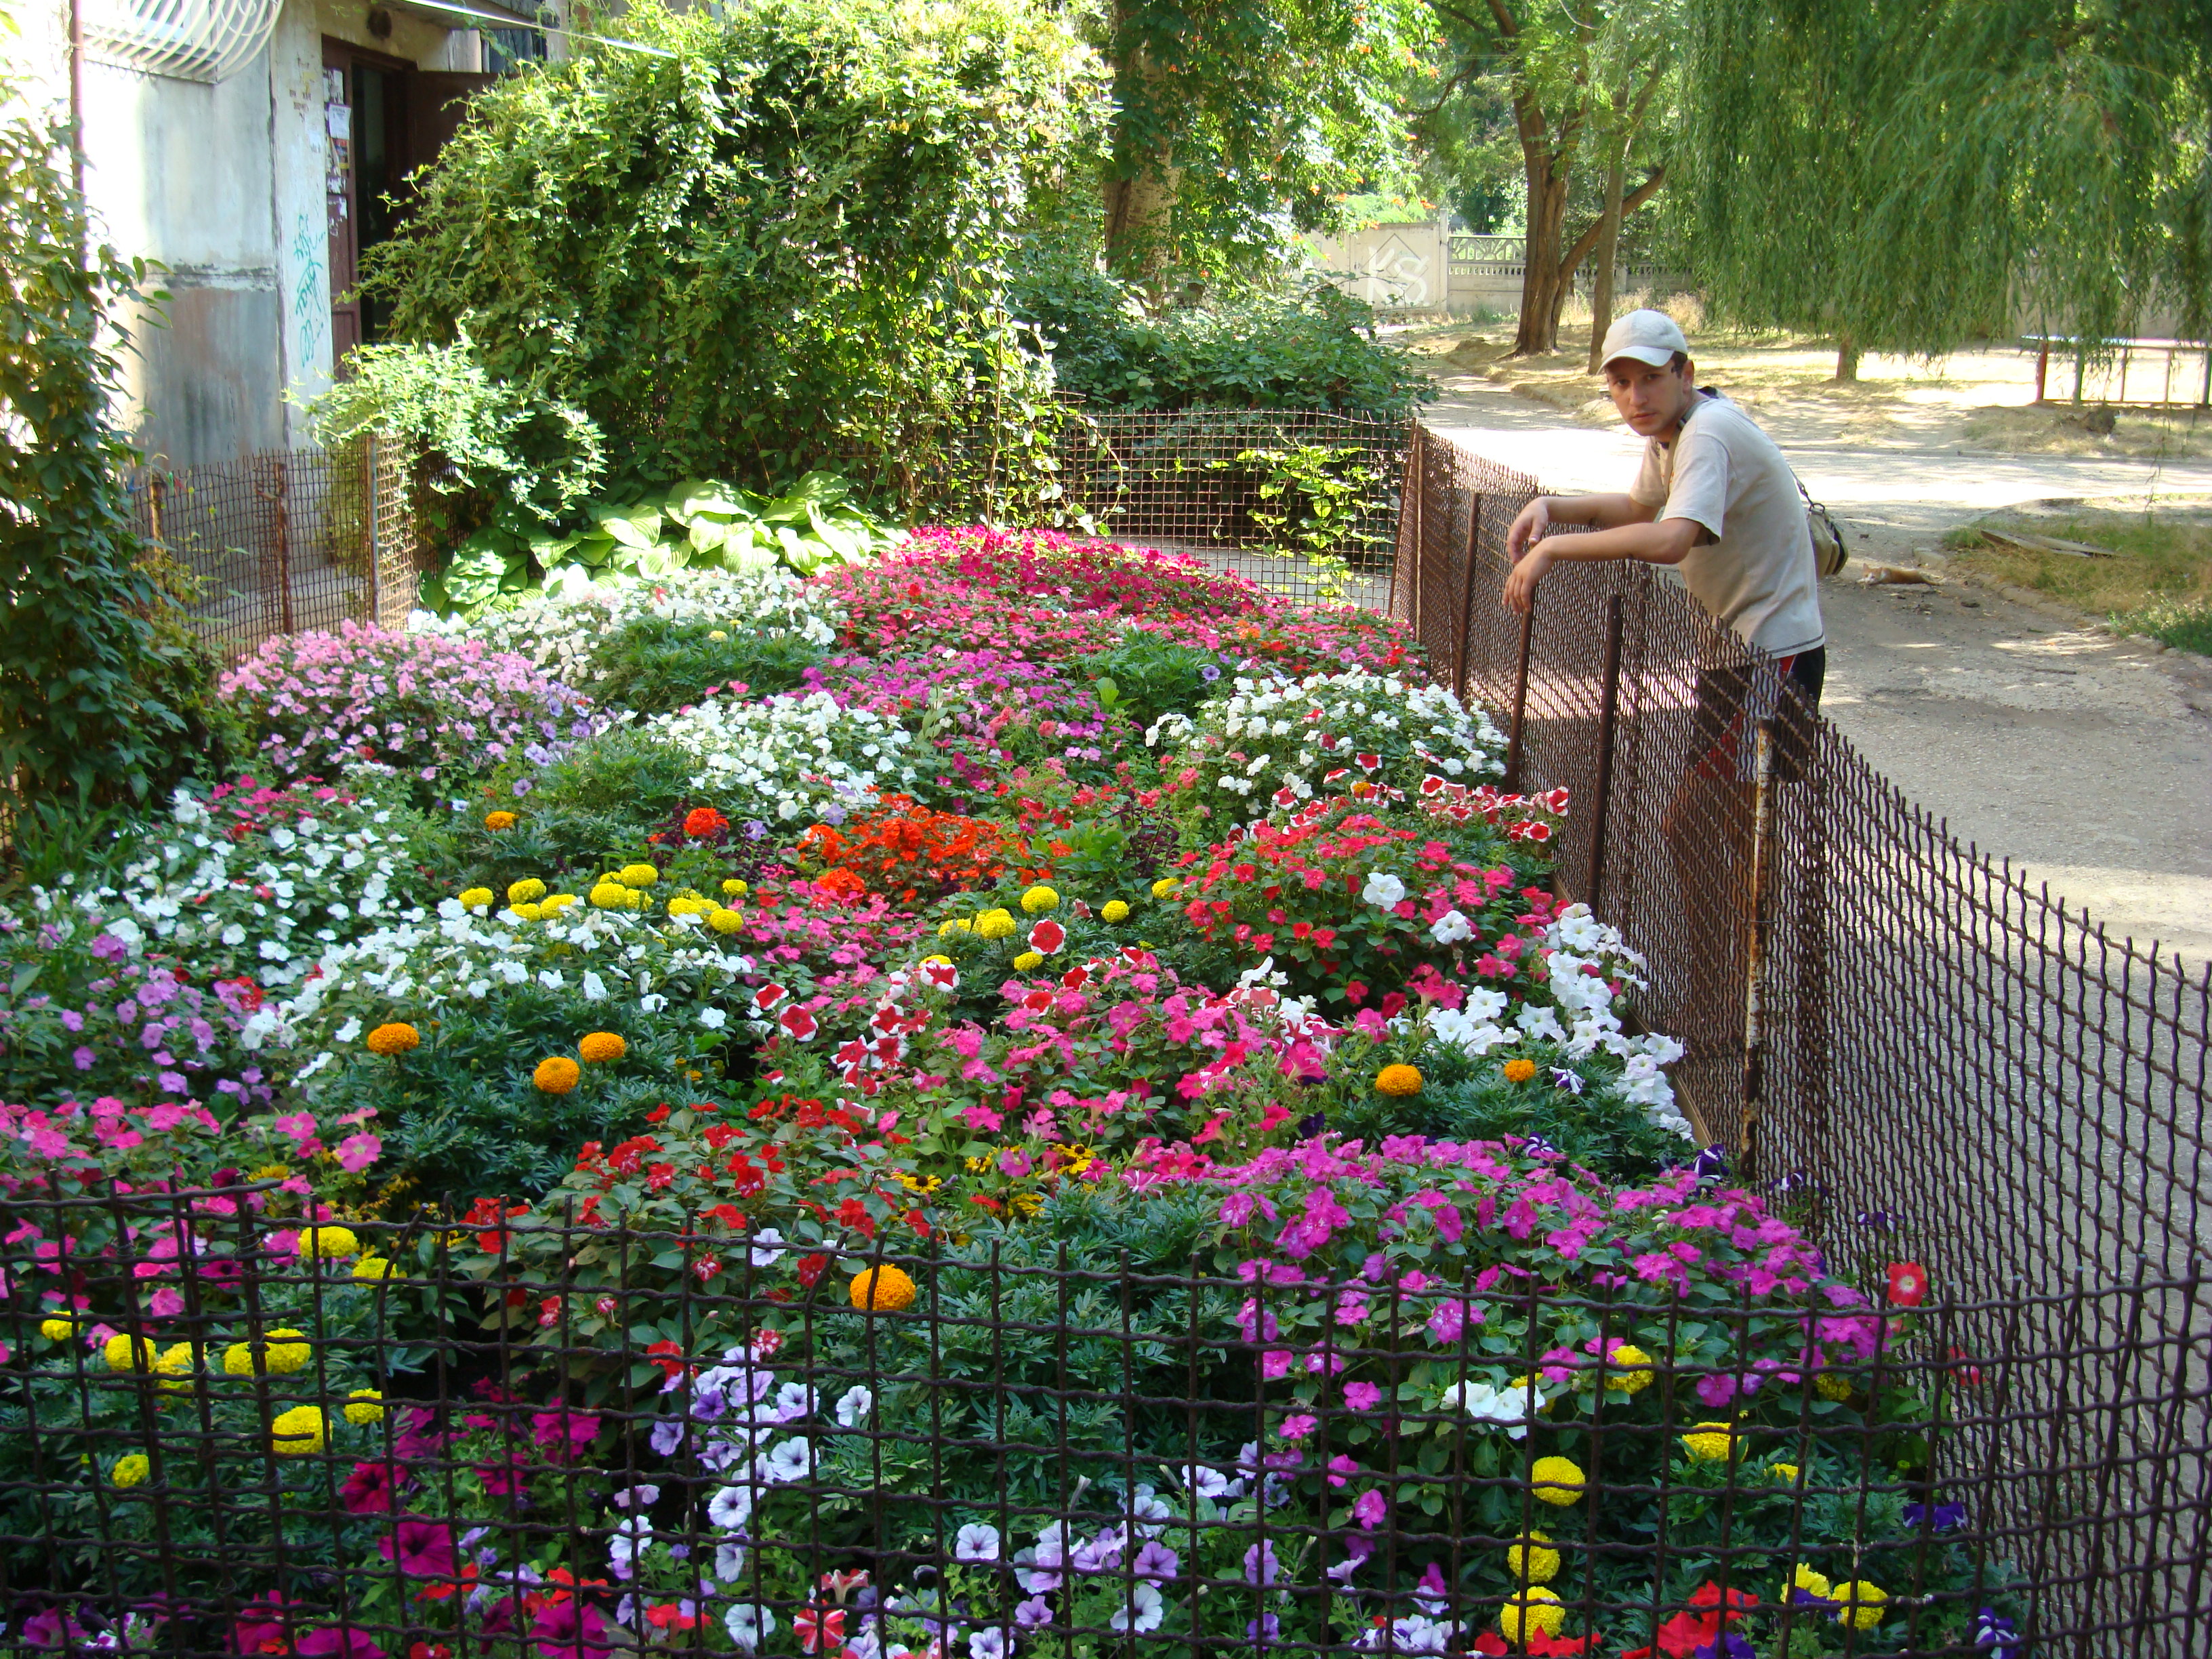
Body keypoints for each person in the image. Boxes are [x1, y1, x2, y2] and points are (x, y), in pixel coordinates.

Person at [1500, 307, 1828, 1065]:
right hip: (1739, 653)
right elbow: (1643, 507)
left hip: (1772, 658)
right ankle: (1738, 995)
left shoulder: (1707, 434)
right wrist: (1558, 508)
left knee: (1701, 824)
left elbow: (1672, 538)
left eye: (1650, 378)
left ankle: (1727, 1007)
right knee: (1725, 828)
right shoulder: (1679, 432)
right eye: (1620, 383)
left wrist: (1554, 553)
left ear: (1684, 372)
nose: (1635, 396)